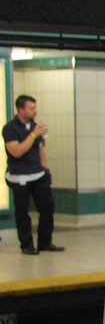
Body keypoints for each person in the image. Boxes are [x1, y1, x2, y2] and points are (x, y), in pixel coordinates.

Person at [4, 95, 64, 255]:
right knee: (23, 212)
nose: (35, 112)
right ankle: (26, 244)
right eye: (31, 109)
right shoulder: (10, 128)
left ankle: (45, 242)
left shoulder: (35, 126)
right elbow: (16, 152)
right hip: (19, 177)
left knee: (47, 208)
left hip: (38, 174)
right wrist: (33, 135)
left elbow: (40, 149)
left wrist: (45, 169)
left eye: (35, 108)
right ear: (21, 110)